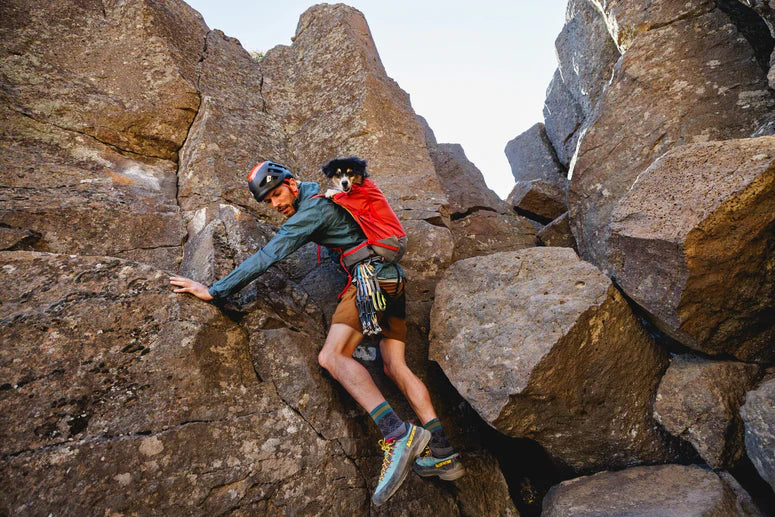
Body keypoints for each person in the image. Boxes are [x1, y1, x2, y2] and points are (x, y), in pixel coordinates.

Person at [169, 160, 464, 506]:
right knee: (394, 365)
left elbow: (269, 254)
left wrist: (215, 290)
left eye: (277, 194)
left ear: (292, 183)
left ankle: (397, 434)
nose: (276, 204)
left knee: (331, 356)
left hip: (369, 282)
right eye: (268, 202)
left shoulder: (315, 208)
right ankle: (443, 451)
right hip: (392, 280)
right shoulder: (327, 197)